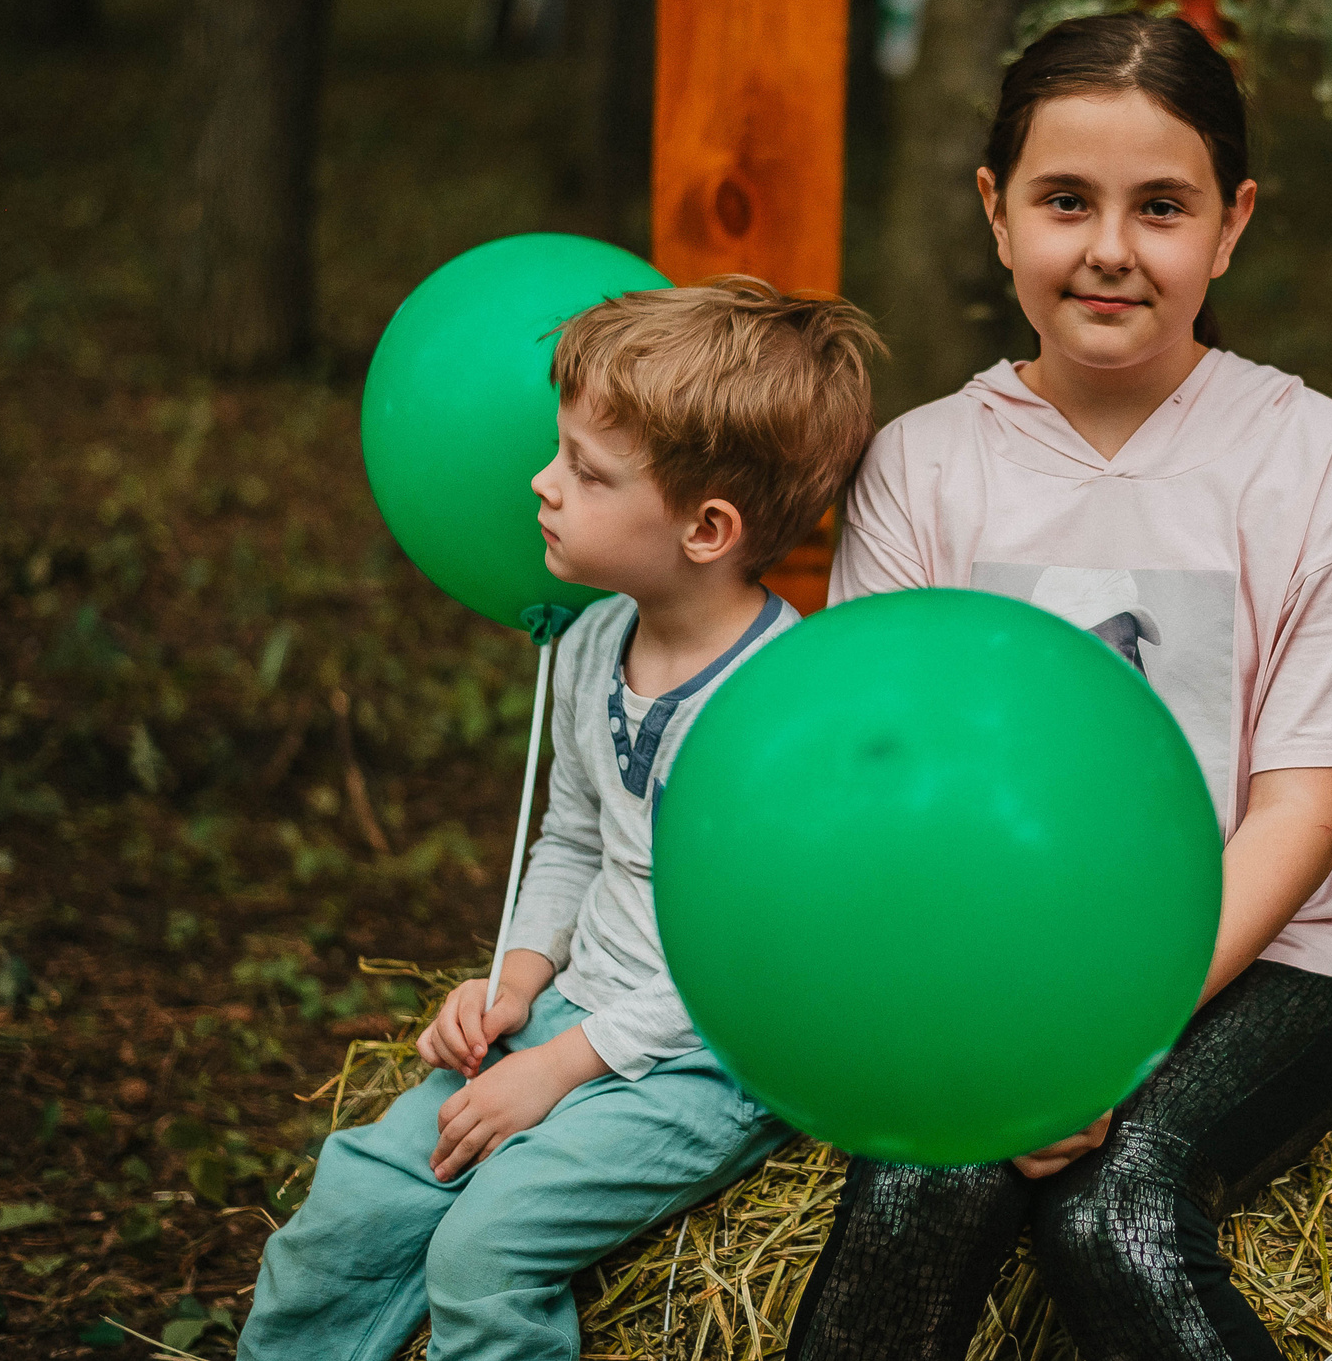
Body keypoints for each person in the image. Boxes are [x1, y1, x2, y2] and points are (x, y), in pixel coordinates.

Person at [784, 13, 1332, 1360]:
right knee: (925, 1177)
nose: (1108, 247)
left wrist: (1108, 1040)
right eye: (1066, 200)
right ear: (995, 208)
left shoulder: (1314, 462)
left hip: (1266, 960)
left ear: (1232, 221)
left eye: (1161, 207)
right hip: (991, 947)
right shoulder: (925, 468)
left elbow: (1302, 813)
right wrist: (1003, 1027)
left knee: (1114, 1212)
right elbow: (894, 786)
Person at [239, 277, 882, 1361]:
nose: (541, 482)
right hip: (578, 1005)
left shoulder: (780, 710)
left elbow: (760, 963)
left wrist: (566, 1062)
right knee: (353, 1199)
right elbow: (575, 837)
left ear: (706, 525)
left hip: (710, 1052)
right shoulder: (592, 643)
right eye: (559, 451)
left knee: (487, 1247)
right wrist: (518, 978)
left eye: (587, 470)